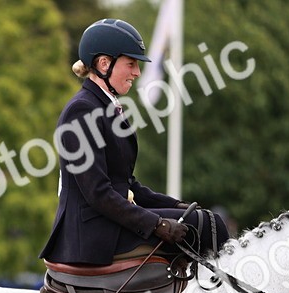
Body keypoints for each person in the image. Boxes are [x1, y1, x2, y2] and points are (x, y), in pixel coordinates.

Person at [40, 18, 229, 268]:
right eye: (131, 64)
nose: (137, 73)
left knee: (205, 219)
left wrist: (175, 205)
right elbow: (98, 193)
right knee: (204, 226)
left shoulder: (104, 106)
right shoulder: (82, 110)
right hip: (91, 232)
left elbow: (128, 186)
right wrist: (156, 224)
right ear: (104, 63)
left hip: (109, 222)